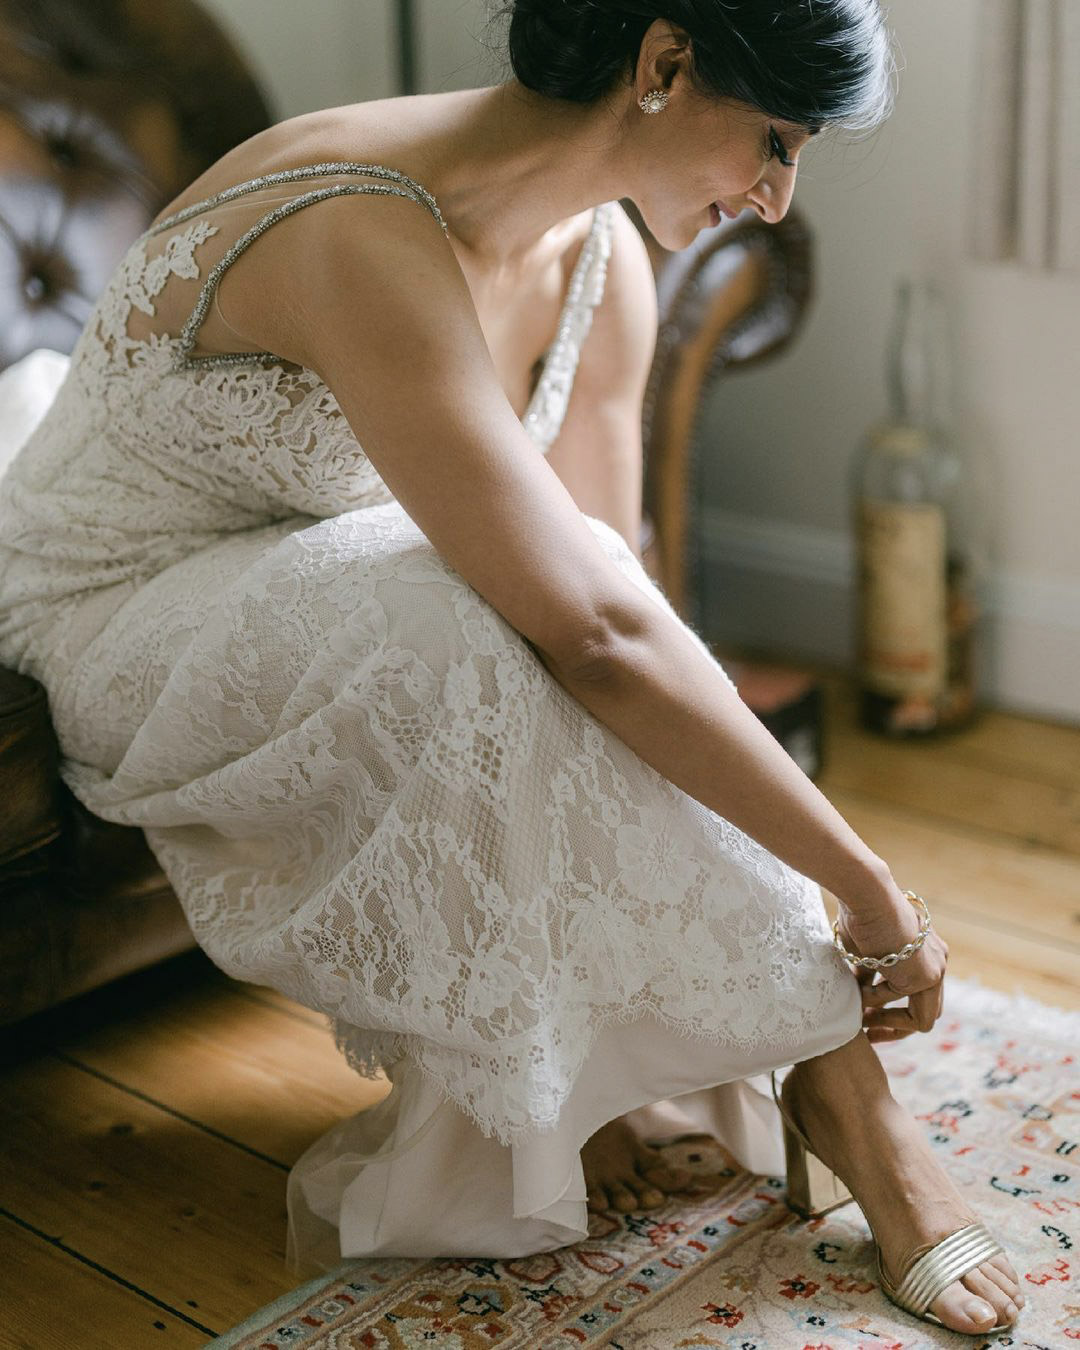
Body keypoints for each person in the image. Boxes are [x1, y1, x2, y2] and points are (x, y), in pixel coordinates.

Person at [0, 0, 1024, 1335]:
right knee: (463, 602)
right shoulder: (354, 224)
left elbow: (619, 610)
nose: (776, 197)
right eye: (773, 138)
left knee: (525, 598)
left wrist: (809, 863)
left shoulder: (604, 265)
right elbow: (581, 630)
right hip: (98, 612)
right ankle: (849, 1093)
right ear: (662, 65)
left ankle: (653, 1072)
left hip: (303, 590)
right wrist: (868, 892)